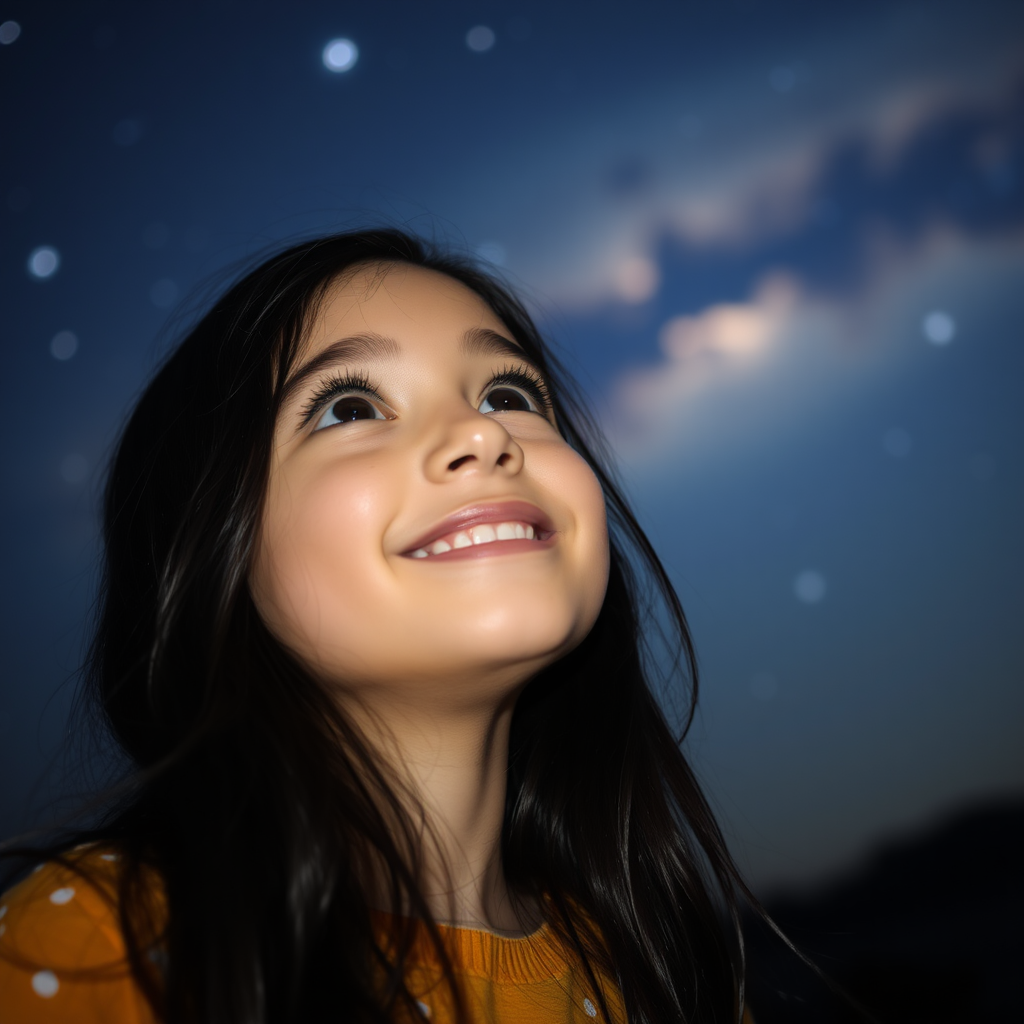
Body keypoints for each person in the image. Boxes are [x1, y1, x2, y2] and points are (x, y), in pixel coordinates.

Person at [0, 229, 758, 1023]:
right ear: (210, 551)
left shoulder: (671, 980)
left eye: (509, 394)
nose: (483, 434)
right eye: (350, 406)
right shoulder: (94, 949)